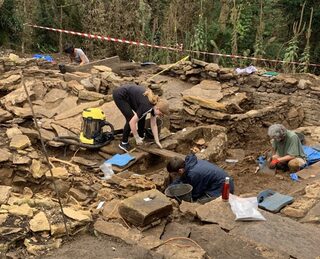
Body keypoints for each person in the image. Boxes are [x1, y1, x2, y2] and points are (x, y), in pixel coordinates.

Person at [113, 84, 169, 152]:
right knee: (130, 118)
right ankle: (123, 143)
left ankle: (141, 135)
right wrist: (136, 138)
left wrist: (157, 141)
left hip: (132, 96)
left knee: (142, 115)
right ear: (158, 108)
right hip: (120, 95)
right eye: (161, 114)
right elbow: (132, 122)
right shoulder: (146, 106)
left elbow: (154, 125)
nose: (161, 115)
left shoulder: (154, 105)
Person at [166, 154, 234, 204]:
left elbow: (196, 193)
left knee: (197, 203)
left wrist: (185, 200)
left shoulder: (194, 174)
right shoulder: (189, 164)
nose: (174, 177)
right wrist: (171, 187)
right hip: (217, 183)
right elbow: (181, 178)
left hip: (223, 188)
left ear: (180, 170)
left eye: (175, 175)